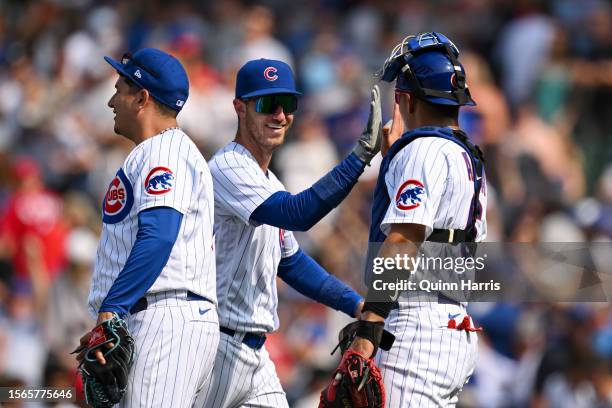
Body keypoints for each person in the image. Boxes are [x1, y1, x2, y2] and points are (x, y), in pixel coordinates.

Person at [195, 58, 382, 408]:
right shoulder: (227, 167)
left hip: (254, 353)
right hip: (216, 346)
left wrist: (355, 305)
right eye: (267, 104)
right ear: (240, 108)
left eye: (288, 104)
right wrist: (358, 158)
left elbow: (293, 263)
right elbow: (300, 213)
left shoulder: (269, 181)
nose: (279, 115)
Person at [323, 32, 488, 407]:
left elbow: (403, 243)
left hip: (417, 327)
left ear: (406, 100)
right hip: (452, 323)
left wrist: (368, 330)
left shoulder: (422, 150)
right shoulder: (466, 155)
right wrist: (394, 160)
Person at [75, 48, 219, 407]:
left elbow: (159, 235)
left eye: (119, 89)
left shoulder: (163, 152)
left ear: (142, 97)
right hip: (158, 315)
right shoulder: (160, 151)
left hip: (164, 315)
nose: (111, 101)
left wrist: (113, 308)